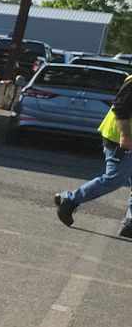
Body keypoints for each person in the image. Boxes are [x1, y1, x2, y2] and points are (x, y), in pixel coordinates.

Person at [54, 74, 132, 237]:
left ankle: (130, 223)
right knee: (115, 178)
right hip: (120, 139)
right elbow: (120, 107)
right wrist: (125, 135)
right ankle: (69, 200)